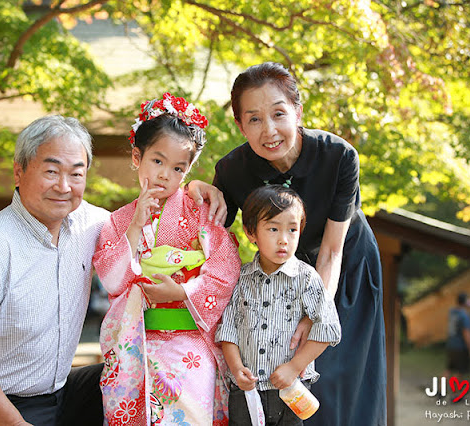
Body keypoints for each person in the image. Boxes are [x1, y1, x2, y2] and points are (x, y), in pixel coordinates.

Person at [190, 61, 386, 426]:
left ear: (298, 111)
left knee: (338, 373)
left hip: (346, 266)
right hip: (280, 274)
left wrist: (315, 314)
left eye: (279, 113)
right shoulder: (233, 169)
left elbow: (331, 251)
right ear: (239, 125)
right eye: (254, 119)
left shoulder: (340, 156)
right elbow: (212, 233)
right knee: (284, 374)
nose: (269, 131)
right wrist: (193, 188)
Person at [0, 115, 109, 425]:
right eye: (51, 171)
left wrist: (195, 189)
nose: (63, 186)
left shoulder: (91, 223)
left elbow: (150, 221)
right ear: (19, 172)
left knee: (131, 370)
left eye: (76, 174)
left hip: (60, 394)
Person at [92, 93, 241, 425]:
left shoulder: (200, 211)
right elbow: (113, 282)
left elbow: (225, 270)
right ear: (137, 156)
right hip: (136, 347)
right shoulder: (117, 221)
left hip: (190, 349)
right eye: (157, 161)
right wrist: (135, 226)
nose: (165, 175)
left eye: (177, 168)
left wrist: (183, 293)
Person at [216, 185, 341, 425]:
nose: (284, 239)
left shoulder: (307, 278)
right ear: (251, 233)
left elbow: (328, 328)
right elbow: (228, 329)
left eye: (292, 230)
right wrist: (236, 368)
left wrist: (295, 367)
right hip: (246, 390)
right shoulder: (241, 279)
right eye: (273, 229)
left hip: (291, 388)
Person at [444, 292, 470, 379]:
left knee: (449, 369)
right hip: (461, 347)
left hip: (451, 345)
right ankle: (455, 391)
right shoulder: (464, 316)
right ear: (465, 302)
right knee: (460, 371)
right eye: (469, 300)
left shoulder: (452, 312)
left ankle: (439, 390)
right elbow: (466, 333)